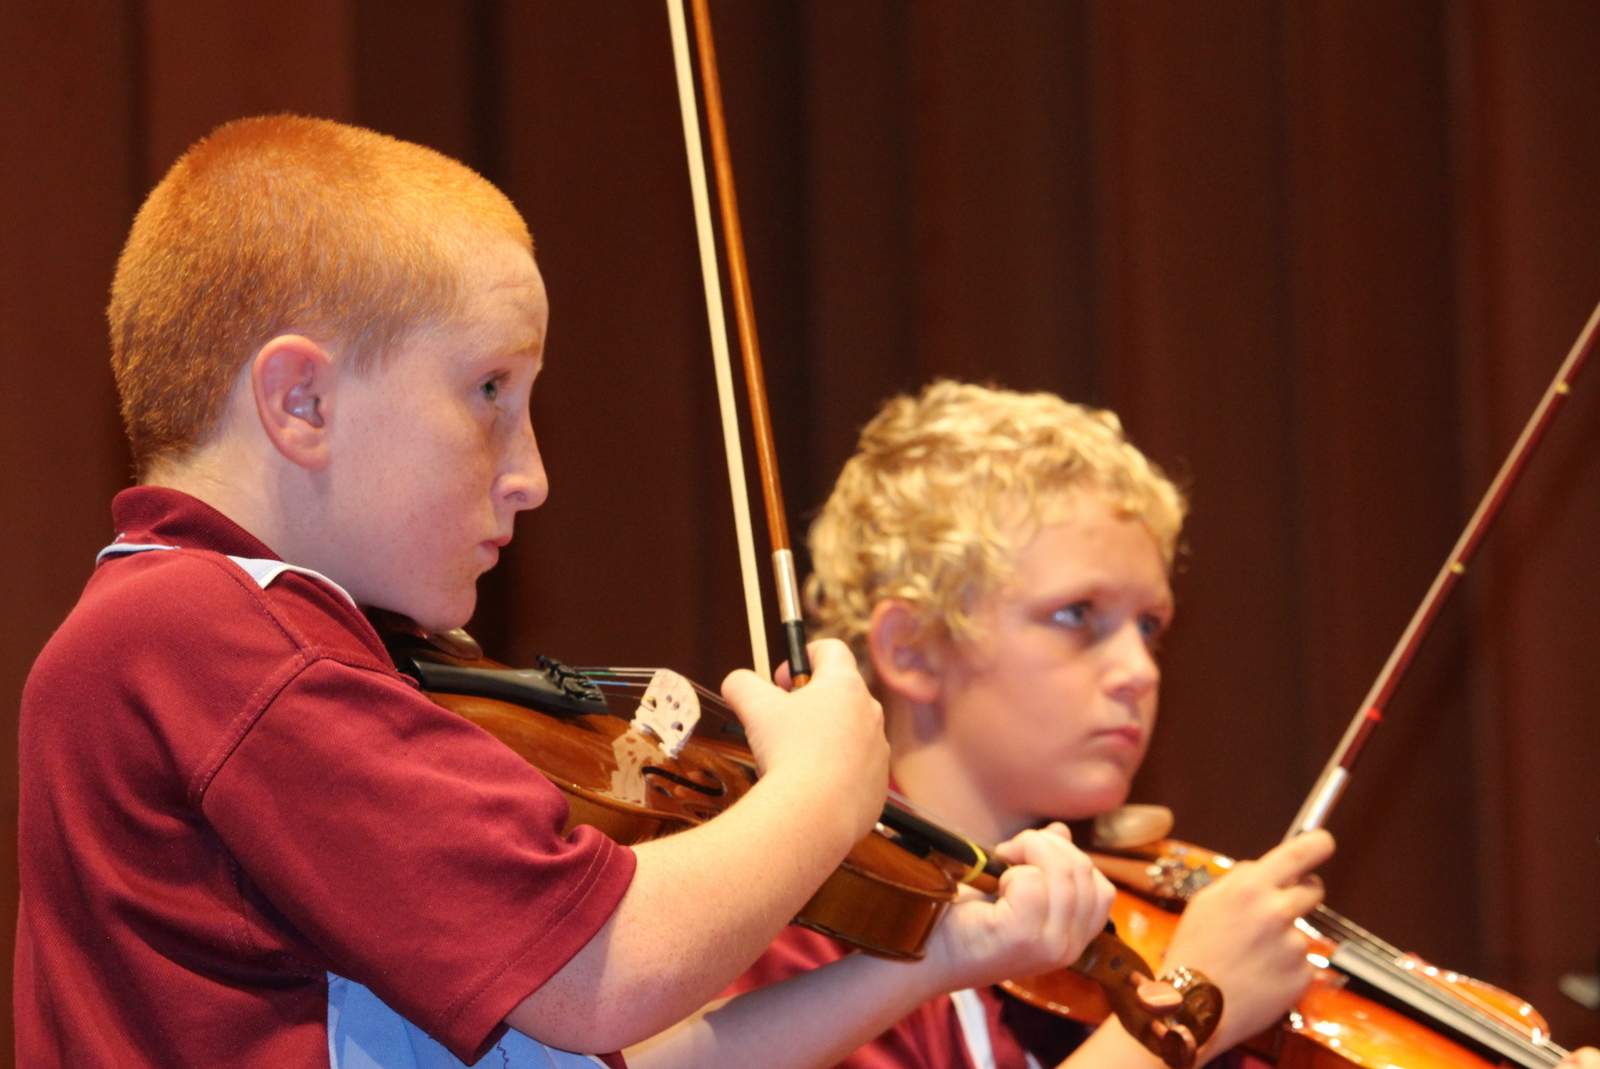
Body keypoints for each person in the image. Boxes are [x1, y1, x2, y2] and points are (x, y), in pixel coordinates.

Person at [14, 117, 1116, 1069]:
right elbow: (606, 970)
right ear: (302, 400)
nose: (530, 473)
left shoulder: (293, 659)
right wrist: (824, 787)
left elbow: (629, 1046)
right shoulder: (202, 637)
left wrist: (944, 956)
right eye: (489, 390)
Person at [729, 380, 1599, 1069]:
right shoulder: (805, 918)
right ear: (913, 648)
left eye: (1149, 626)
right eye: (1077, 616)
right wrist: (1190, 1001)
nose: (1138, 670)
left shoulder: (1133, 919)